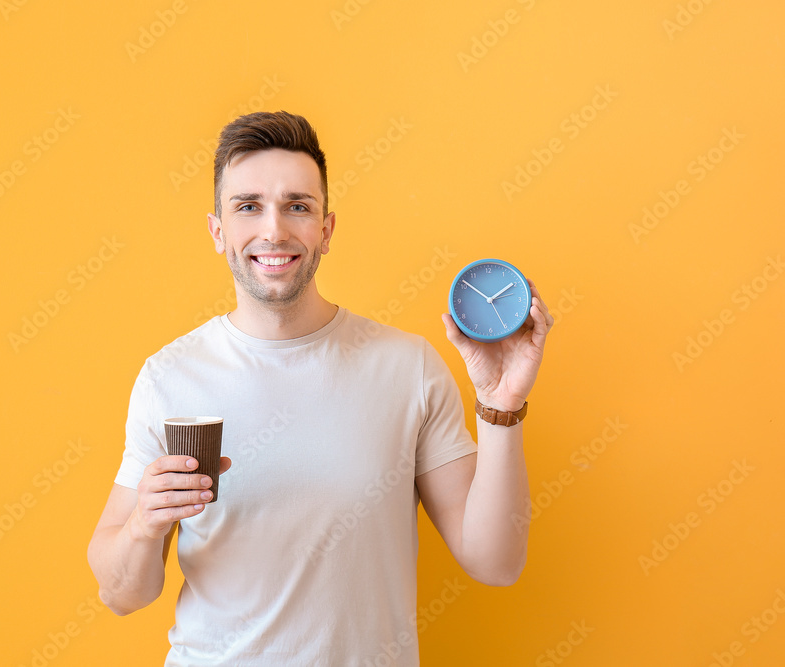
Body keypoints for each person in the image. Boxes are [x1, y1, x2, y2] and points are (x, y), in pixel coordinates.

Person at [87, 111, 553, 665]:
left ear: (326, 230)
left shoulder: (407, 367)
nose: (274, 230)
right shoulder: (170, 377)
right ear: (218, 231)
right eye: (248, 206)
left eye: (298, 206)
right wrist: (145, 522)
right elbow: (122, 594)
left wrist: (501, 407)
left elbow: (495, 563)